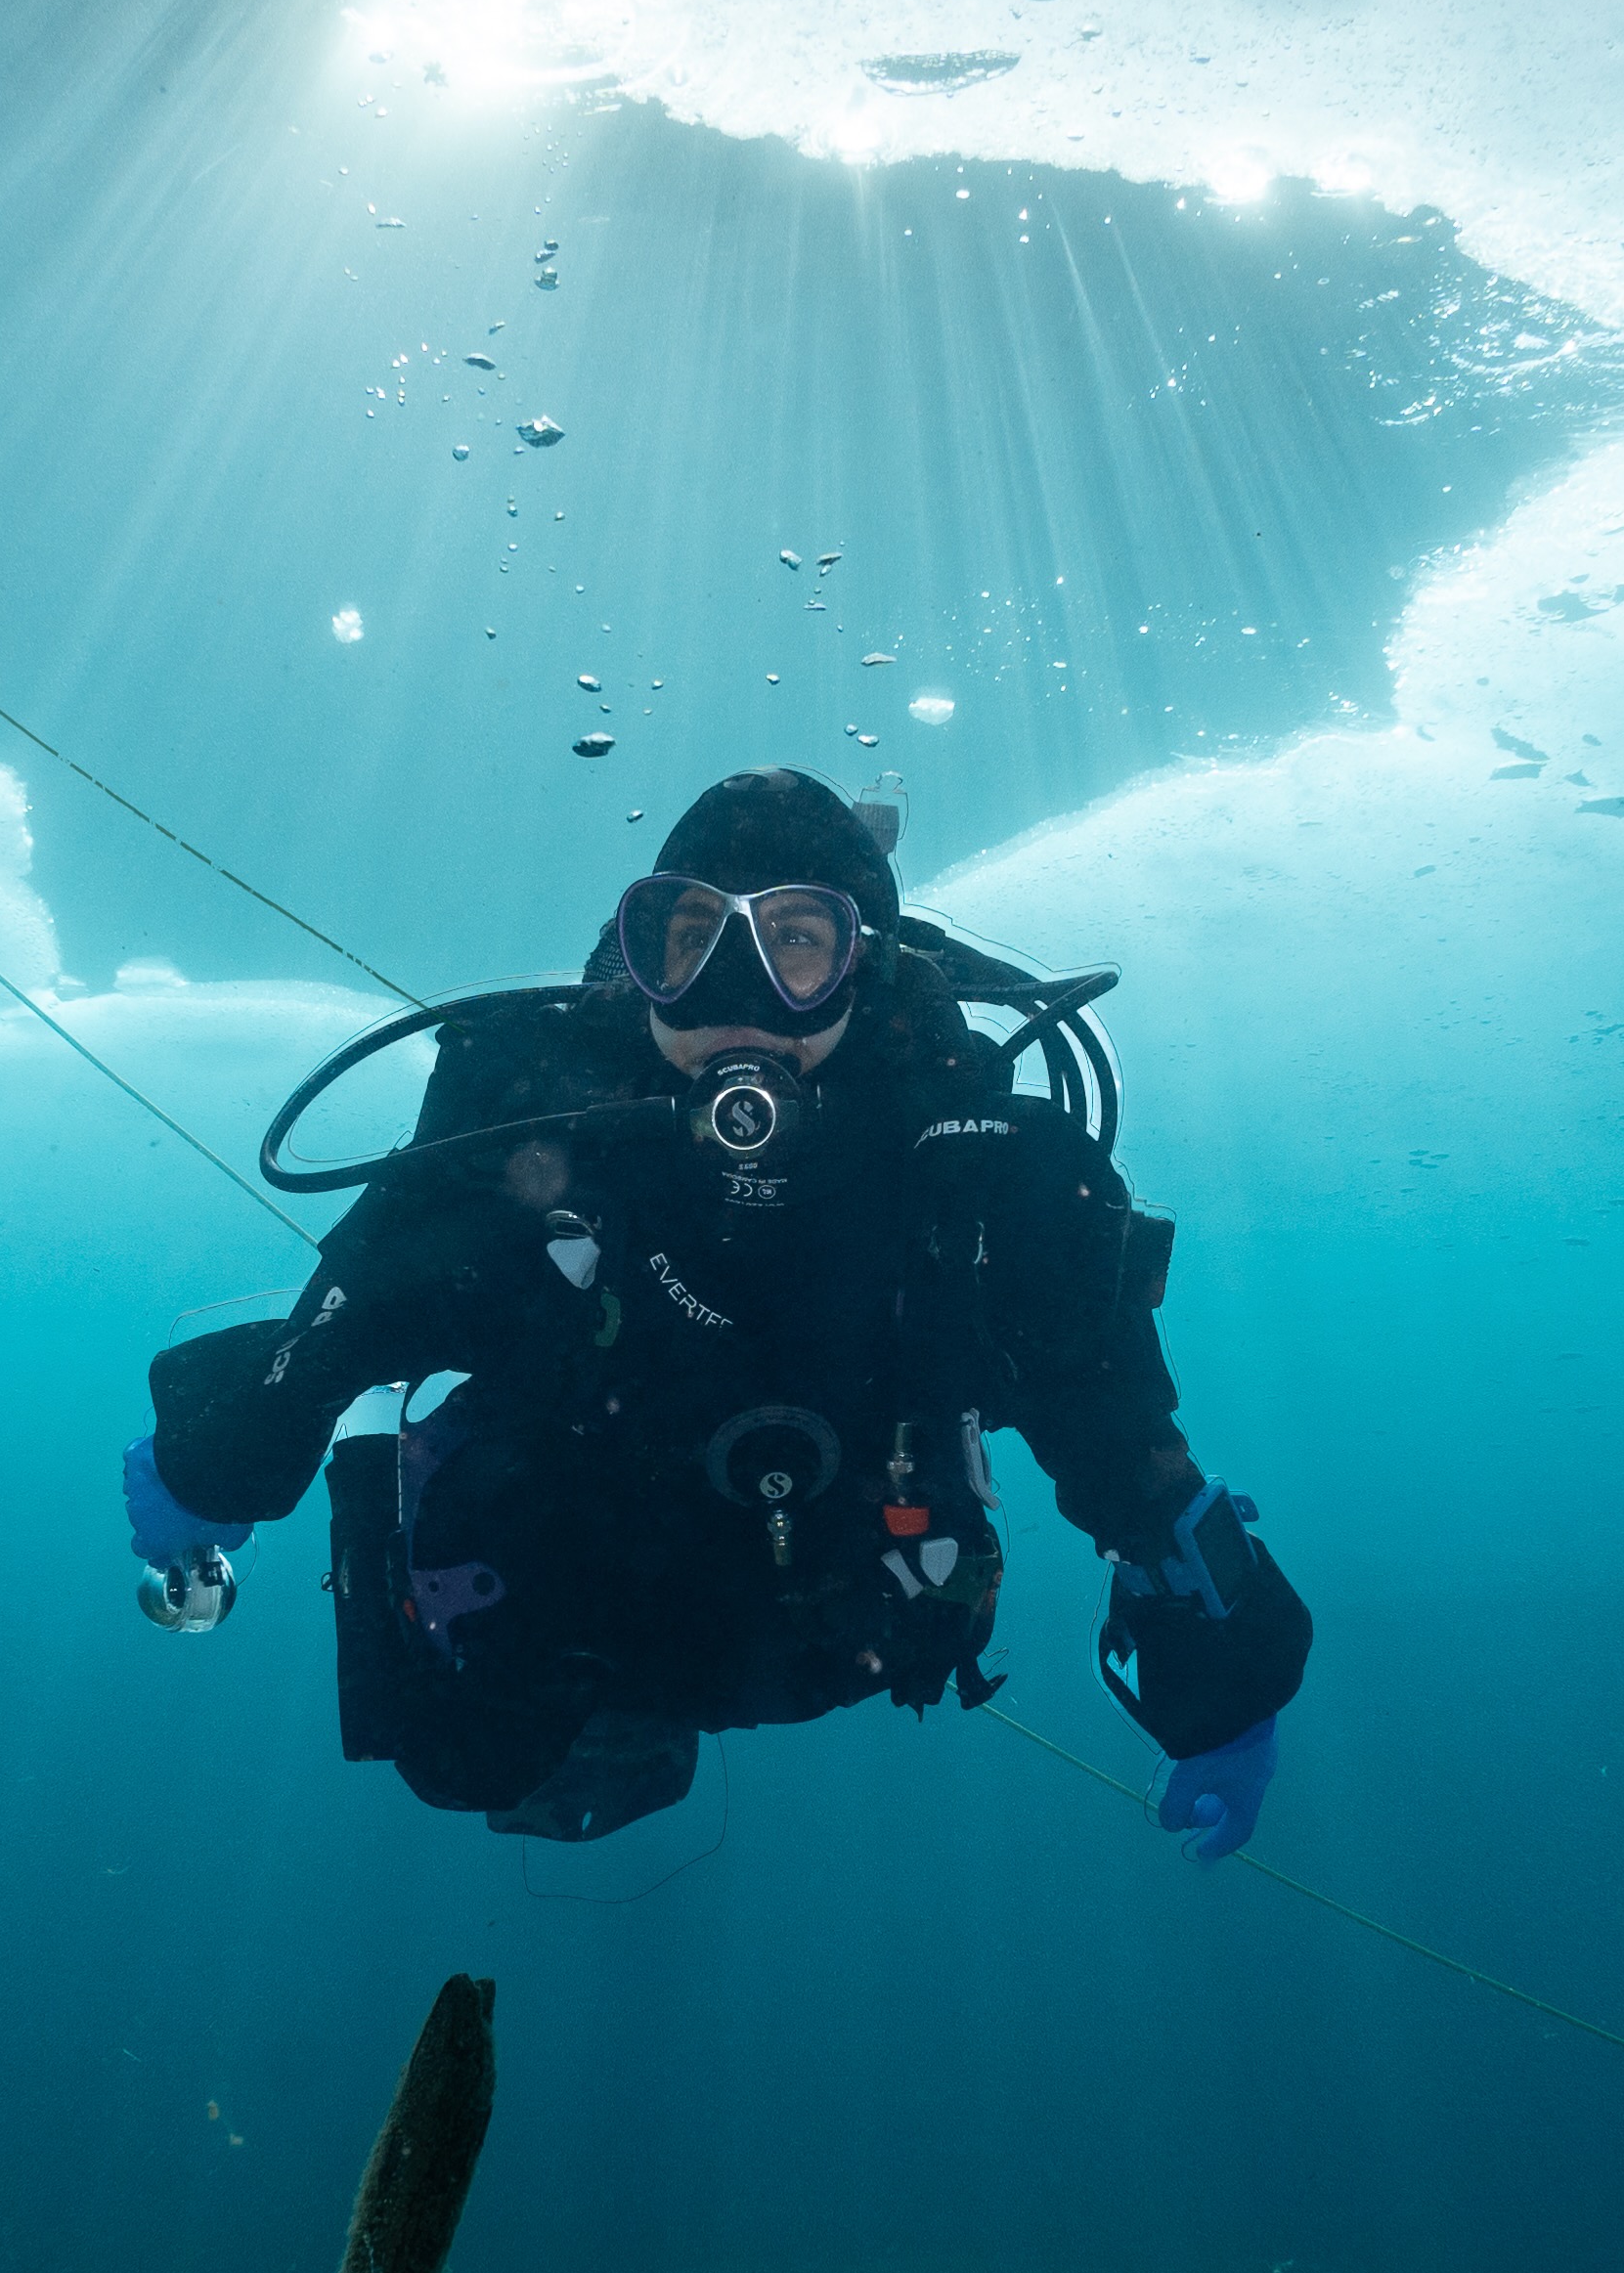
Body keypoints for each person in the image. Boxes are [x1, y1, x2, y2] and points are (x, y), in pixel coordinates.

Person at [119, 768, 1307, 1852]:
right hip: (568, 1593)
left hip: (842, 1624)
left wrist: (1223, 1676)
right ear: (636, 955)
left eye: (796, 940)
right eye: (689, 938)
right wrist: (214, 1463)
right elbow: (354, 1314)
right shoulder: (537, 1122)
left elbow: (1117, 1427)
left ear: (865, 962)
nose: (735, 993)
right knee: (456, 1755)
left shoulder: (973, 1166)